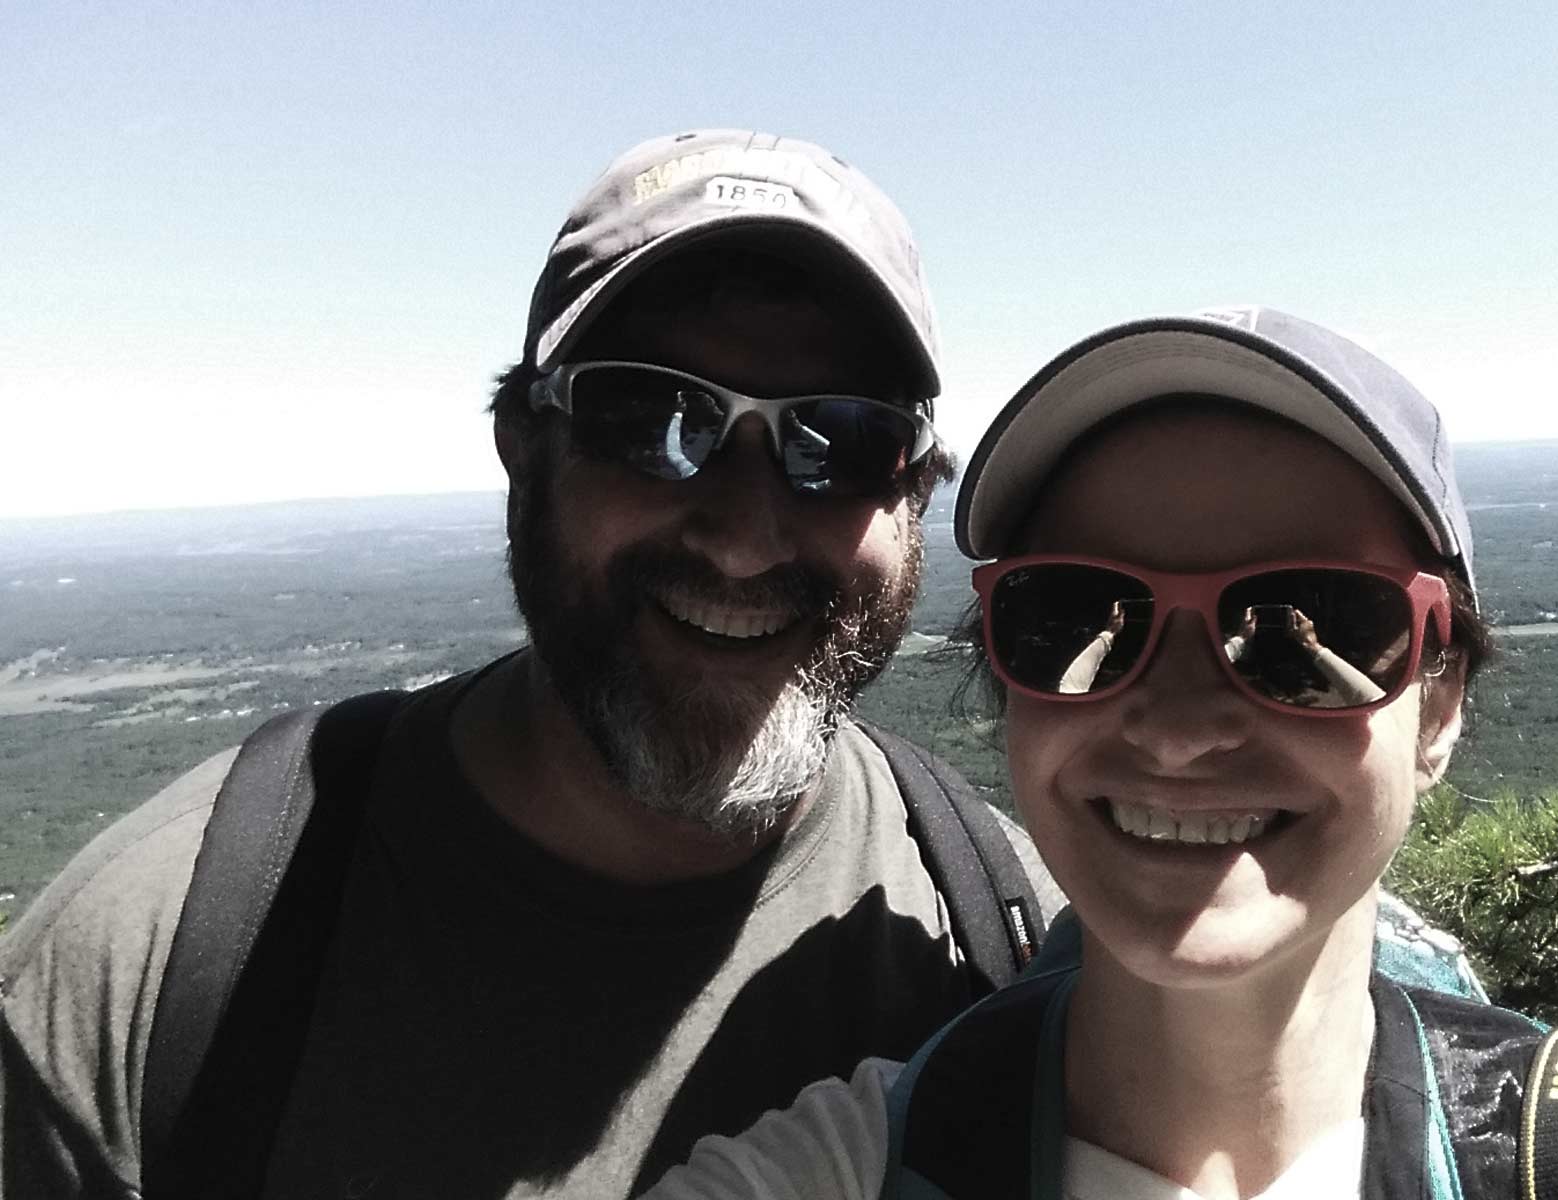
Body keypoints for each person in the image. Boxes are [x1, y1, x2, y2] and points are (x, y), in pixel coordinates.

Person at [0, 129, 1063, 1199]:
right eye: (654, 418)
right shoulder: (153, 969)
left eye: (840, 437)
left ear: (915, 487)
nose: (745, 538)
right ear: (521, 443)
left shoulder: (1014, 942)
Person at [643, 306, 1558, 1199]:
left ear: (1439, 707)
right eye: (1079, 619)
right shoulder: (851, 1166)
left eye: (1314, 625)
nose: (1183, 726)